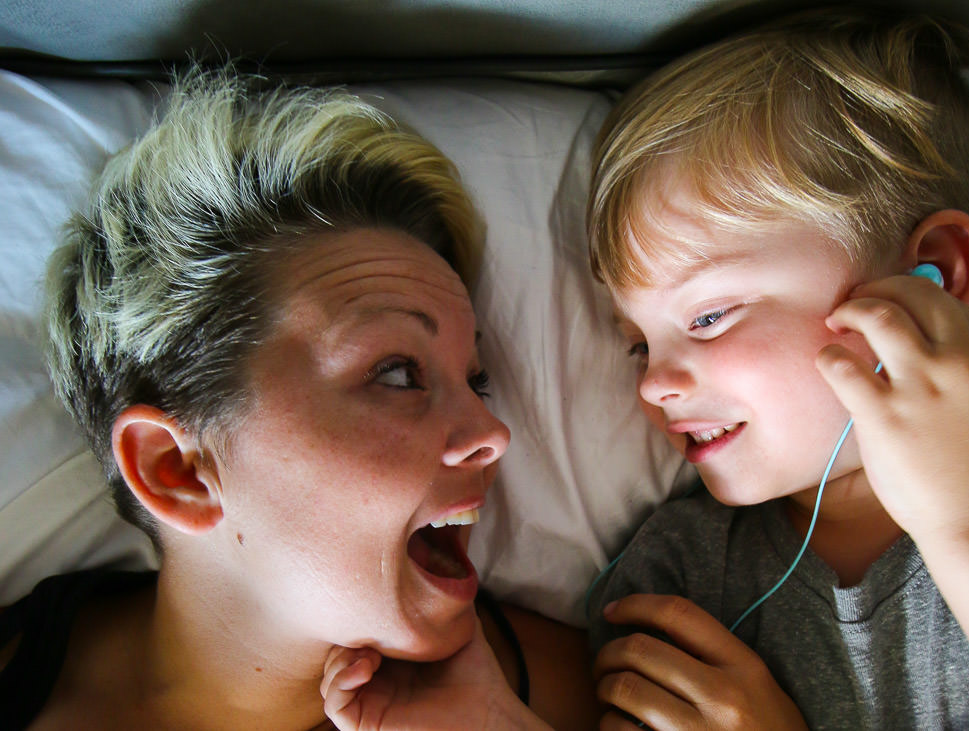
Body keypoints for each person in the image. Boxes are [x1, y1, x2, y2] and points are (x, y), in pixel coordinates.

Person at [0, 65, 596, 730]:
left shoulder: (540, 695)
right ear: (177, 469)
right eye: (398, 373)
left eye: (475, 380)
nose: (493, 429)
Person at [585, 7, 969, 729]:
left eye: (706, 316)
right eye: (640, 343)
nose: (652, 384)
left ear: (931, 273)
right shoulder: (676, 582)